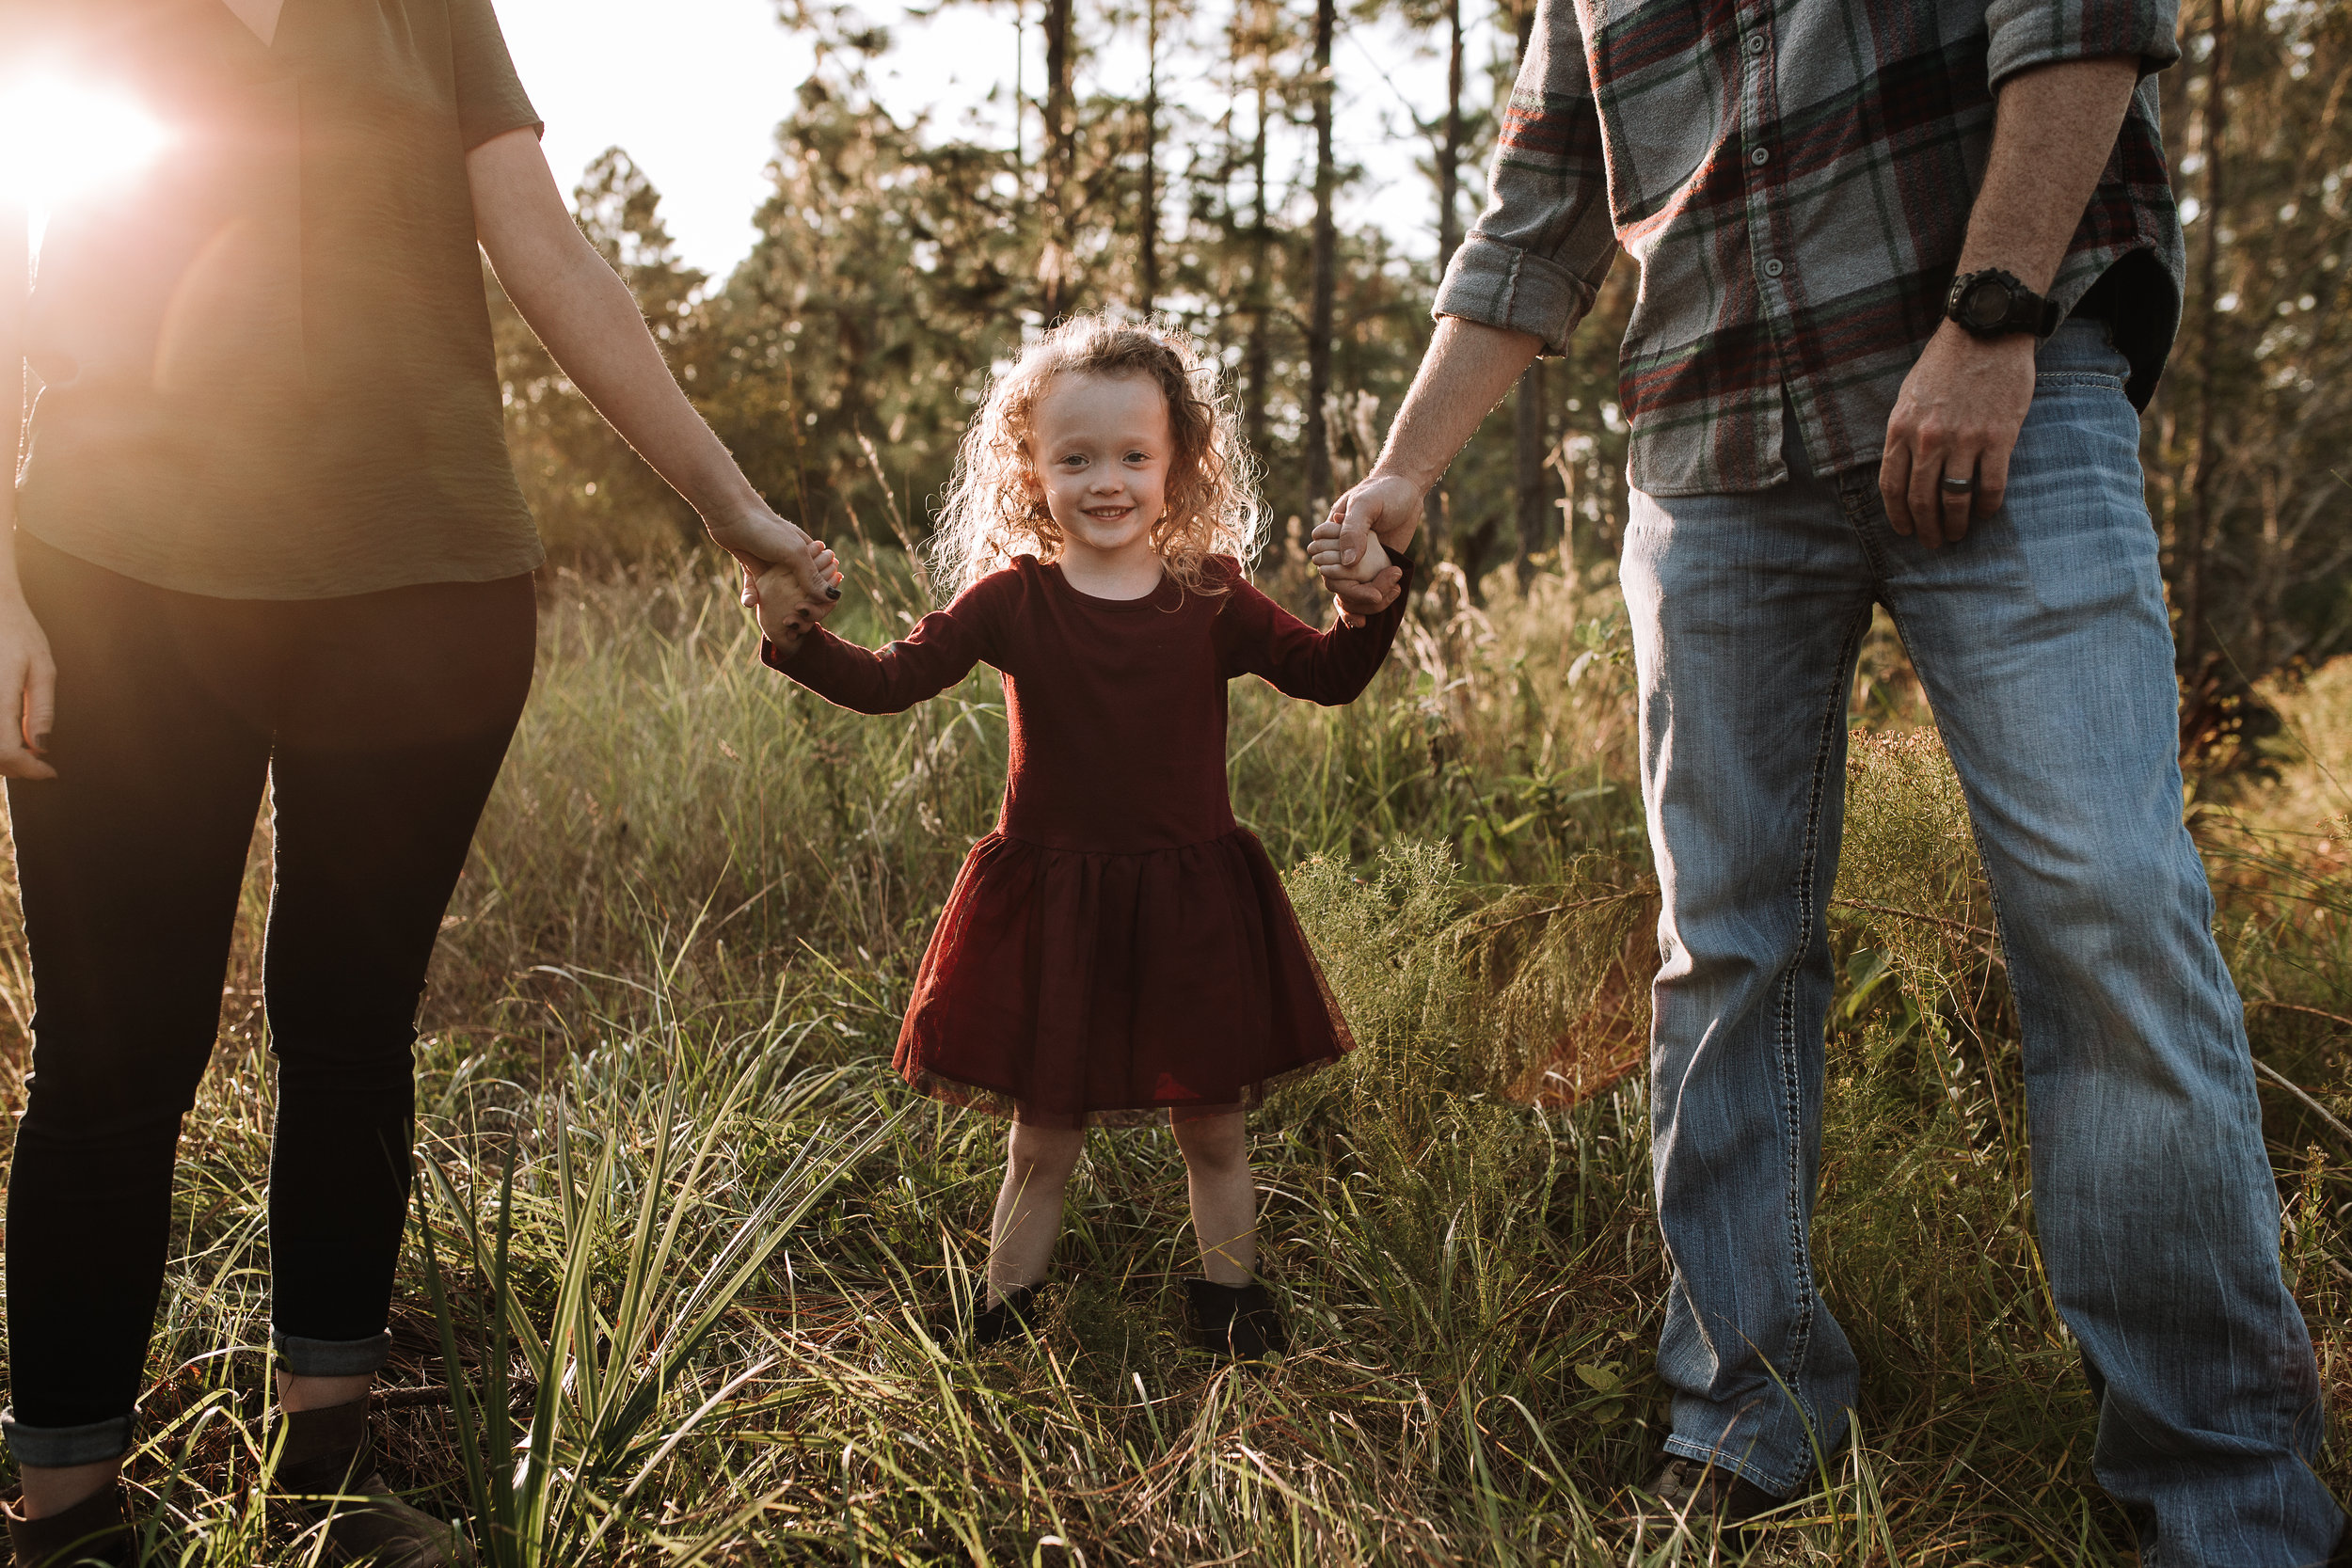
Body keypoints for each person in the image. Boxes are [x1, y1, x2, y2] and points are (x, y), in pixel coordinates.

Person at [1312, 0, 2346, 1559]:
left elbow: (2082, 22)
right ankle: (1746, 1408)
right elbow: (1536, 223)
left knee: (2107, 901)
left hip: (2001, 390)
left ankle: (2226, 1486)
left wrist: (1995, 317)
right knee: (1721, 936)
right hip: (1712, 459)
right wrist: (1403, 471)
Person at [0, 2, 832, 1563]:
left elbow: (548, 249)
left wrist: (736, 508)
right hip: (116, 580)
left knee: (349, 1021)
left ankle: (327, 1484)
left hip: (420, 583)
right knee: (112, 1056)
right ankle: (66, 1518)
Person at [750, 316, 1406, 1357]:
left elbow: (1325, 674)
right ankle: (1001, 1320)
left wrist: (1370, 607)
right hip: (1059, 905)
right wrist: (795, 635)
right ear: (1030, 470)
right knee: (1044, 1134)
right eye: (1076, 457)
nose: (1108, 480)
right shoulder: (1014, 598)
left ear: (1177, 464)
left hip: (1191, 903)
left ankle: (1229, 1308)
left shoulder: (1212, 594)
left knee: (1215, 1124)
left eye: (1134, 456)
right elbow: (887, 682)